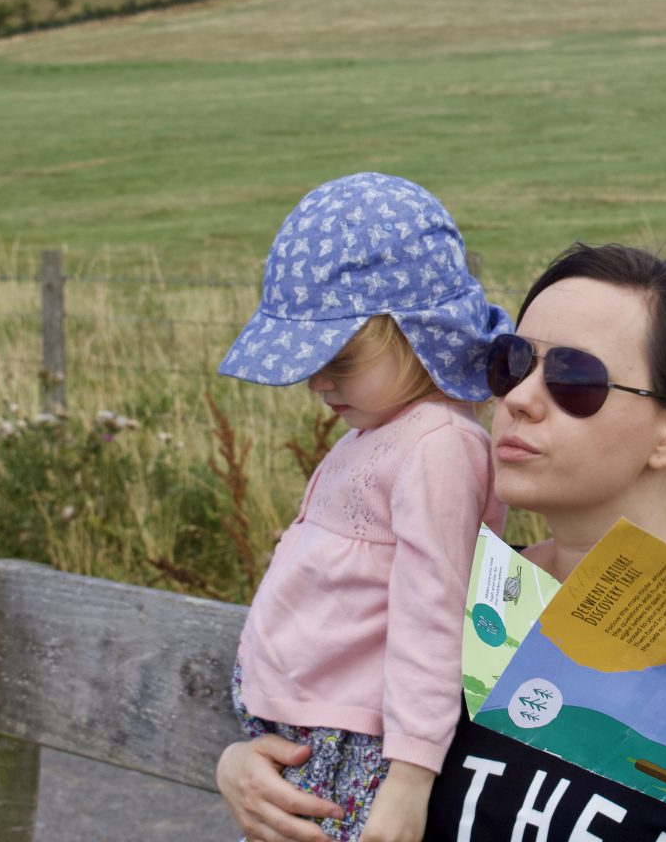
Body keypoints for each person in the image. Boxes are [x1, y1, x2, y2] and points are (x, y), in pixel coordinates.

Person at [218, 243, 666, 842]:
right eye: (512, 363)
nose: (521, 400)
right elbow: (331, 717)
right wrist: (250, 768)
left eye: (573, 378)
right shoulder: (467, 600)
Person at [216, 172, 511, 842]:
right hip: (311, 734)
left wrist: (410, 777)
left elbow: (432, 615)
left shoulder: (438, 446)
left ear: (419, 333)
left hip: (362, 745)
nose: (318, 382)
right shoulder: (385, 430)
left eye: (341, 357)